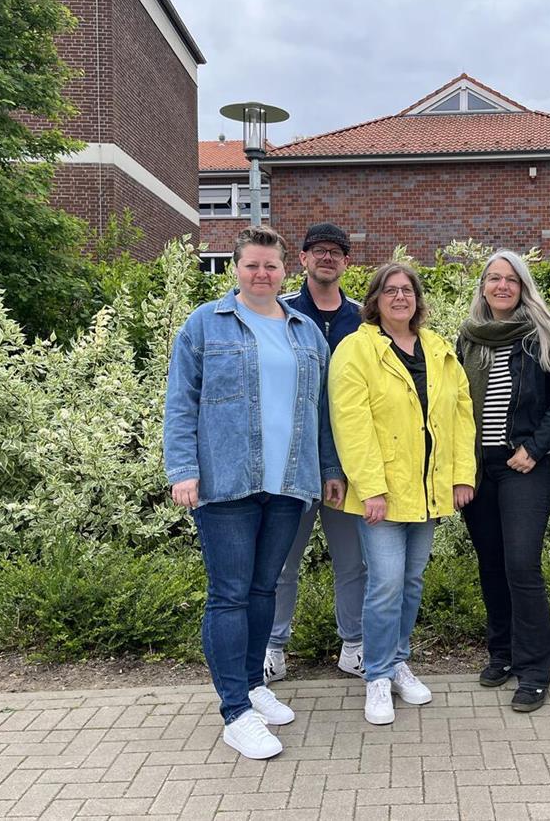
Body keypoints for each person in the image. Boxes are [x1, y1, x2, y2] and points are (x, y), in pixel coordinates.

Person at [163, 225, 344, 760]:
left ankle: (252, 684)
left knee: (264, 589)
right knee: (230, 594)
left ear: (286, 270)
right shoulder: (205, 323)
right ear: (236, 269)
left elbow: (322, 411)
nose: (262, 274)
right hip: (225, 482)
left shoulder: (305, 332)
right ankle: (235, 712)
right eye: (252, 265)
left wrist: (329, 468)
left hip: (288, 483)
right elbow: (181, 401)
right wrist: (183, 469)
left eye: (271, 265)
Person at [329, 262, 477, 726]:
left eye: (407, 290)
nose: (399, 297)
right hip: (382, 495)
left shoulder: (438, 349)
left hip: (427, 491)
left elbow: (460, 417)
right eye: (390, 290)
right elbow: (351, 424)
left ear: (417, 299)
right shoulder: (356, 349)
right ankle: (376, 675)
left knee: (411, 582)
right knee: (386, 583)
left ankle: (397, 662)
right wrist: (370, 486)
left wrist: (461, 476)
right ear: (375, 300)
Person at [457, 251, 550, 713]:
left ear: (523, 286)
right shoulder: (469, 337)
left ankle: (535, 672)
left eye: (511, 279)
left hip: (524, 466)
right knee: (491, 564)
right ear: (483, 286)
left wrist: (536, 446)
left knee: (522, 566)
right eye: (494, 278)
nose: (502, 286)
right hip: (478, 470)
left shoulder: (544, 334)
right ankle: (502, 653)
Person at [264, 223, 365, 685]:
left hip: (350, 462)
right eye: (318, 250)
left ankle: (354, 647)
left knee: (353, 562)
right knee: (281, 562)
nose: (327, 257)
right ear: (301, 259)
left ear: (346, 262)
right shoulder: (279, 313)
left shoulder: (364, 318)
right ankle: (273, 648)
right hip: (293, 462)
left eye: (336, 252)